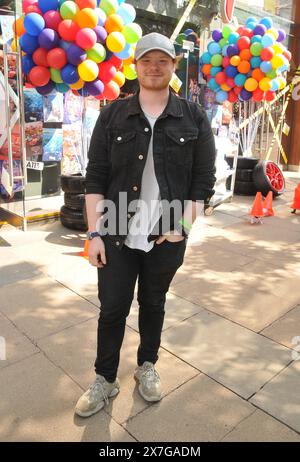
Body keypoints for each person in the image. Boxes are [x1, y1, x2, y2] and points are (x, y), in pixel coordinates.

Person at [75, 32, 216, 418]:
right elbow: (96, 178)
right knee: (112, 309)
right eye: (146, 60)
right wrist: (94, 234)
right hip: (117, 231)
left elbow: (203, 181)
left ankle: (147, 366)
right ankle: (105, 378)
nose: (154, 67)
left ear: (173, 66)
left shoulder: (194, 117)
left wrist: (182, 229)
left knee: (153, 304)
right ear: (135, 67)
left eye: (163, 61)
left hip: (167, 236)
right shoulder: (113, 115)